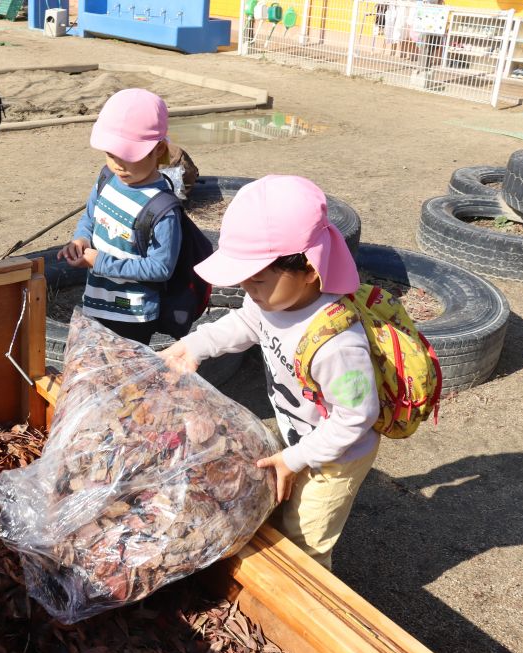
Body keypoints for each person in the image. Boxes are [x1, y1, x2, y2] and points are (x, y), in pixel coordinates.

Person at [161, 175, 380, 570]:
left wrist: (297, 459)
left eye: (257, 279)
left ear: (310, 268)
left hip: (337, 454)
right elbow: (246, 322)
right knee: (277, 503)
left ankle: (311, 603)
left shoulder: (338, 344)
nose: (249, 289)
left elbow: (358, 417)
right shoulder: (273, 300)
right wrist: (195, 345)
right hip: (298, 428)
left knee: (305, 538)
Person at [57, 89, 182, 345]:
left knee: (124, 379)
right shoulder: (107, 179)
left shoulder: (162, 208)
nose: (118, 165)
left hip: (132, 314)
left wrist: (100, 262)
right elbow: (90, 217)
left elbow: (160, 268)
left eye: (128, 156)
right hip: (95, 300)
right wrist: (81, 239)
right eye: (111, 154)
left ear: (158, 150)